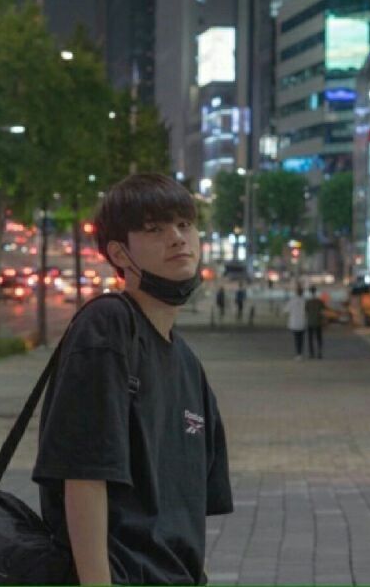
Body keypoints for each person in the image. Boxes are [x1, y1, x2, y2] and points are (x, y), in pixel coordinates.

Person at [33, 173, 233, 586]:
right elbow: (84, 476)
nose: (177, 238)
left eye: (185, 224)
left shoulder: (187, 364)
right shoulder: (109, 326)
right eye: (154, 229)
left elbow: (187, 512)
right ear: (119, 253)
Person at [285, 284, 307, 360]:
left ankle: (298, 354)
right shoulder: (305, 300)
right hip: (302, 323)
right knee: (301, 339)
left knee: (296, 339)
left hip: (294, 323)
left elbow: (286, 310)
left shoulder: (292, 300)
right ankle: (300, 353)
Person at [306, 285, 326, 359]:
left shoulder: (308, 302)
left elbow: (306, 311)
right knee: (319, 338)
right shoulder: (319, 301)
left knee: (310, 339)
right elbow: (323, 310)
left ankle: (311, 354)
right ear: (315, 291)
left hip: (310, 322)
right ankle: (319, 352)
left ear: (310, 291)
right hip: (318, 321)